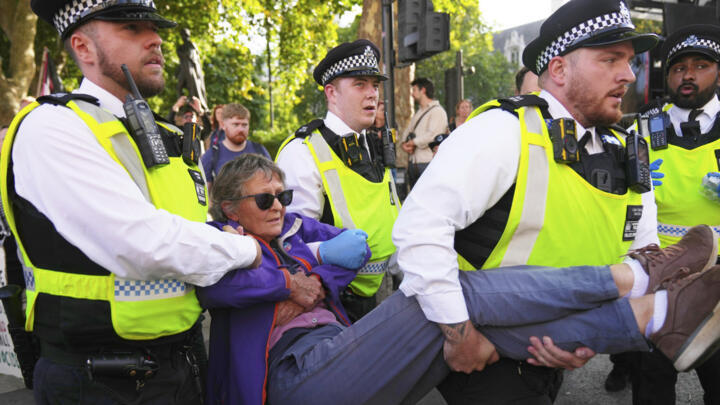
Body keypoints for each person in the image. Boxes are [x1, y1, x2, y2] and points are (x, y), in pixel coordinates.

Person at [200, 153, 720, 405]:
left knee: (461, 314)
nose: (279, 207)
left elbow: (354, 247)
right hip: (290, 381)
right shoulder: (214, 242)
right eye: (264, 199)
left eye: (283, 196)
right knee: (442, 296)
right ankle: (633, 280)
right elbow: (220, 284)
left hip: (338, 348)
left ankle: (652, 318)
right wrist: (291, 279)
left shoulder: (289, 230)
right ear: (229, 207)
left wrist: (302, 264)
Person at [392, 0, 663, 403]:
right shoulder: (503, 131)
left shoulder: (627, 153)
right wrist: (460, 334)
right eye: (610, 59)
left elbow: (642, 256)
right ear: (558, 69)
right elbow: (419, 231)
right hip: (488, 362)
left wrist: (589, 332)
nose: (628, 73)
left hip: (559, 352)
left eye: (629, 60)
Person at [3, 1, 262, 403]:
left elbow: (191, 226)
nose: (155, 39)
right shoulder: (52, 126)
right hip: (100, 382)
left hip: (182, 361)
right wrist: (248, 249)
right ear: (83, 48)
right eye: (131, 28)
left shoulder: (160, 132)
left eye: (153, 27)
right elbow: (143, 243)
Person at [609, 24, 720, 404]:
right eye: (678, 68)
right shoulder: (644, 125)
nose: (688, 75)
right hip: (659, 273)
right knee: (652, 385)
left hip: (718, 277)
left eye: (701, 65)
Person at [275, 39, 400, 321]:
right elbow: (286, 243)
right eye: (360, 84)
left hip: (384, 298)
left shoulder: (375, 145)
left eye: (375, 85)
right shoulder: (303, 152)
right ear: (331, 92)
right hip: (331, 303)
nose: (372, 95)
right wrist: (327, 253)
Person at [200, 103, 270, 190]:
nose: (240, 129)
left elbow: (272, 185)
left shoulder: (260, 151)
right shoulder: (211, 156)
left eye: (244, 125)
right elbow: (206, 195)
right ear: (224, 125)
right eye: (235, 124)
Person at [400, 77, 448, 188]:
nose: (412, 94)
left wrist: (413, 142)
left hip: (428, 162)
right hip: (414, 163)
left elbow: (433, 136)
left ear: (423, 90)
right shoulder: (419, 112)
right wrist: (404, 144)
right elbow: (407, 131)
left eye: (414, 90)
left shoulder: (437, 111)